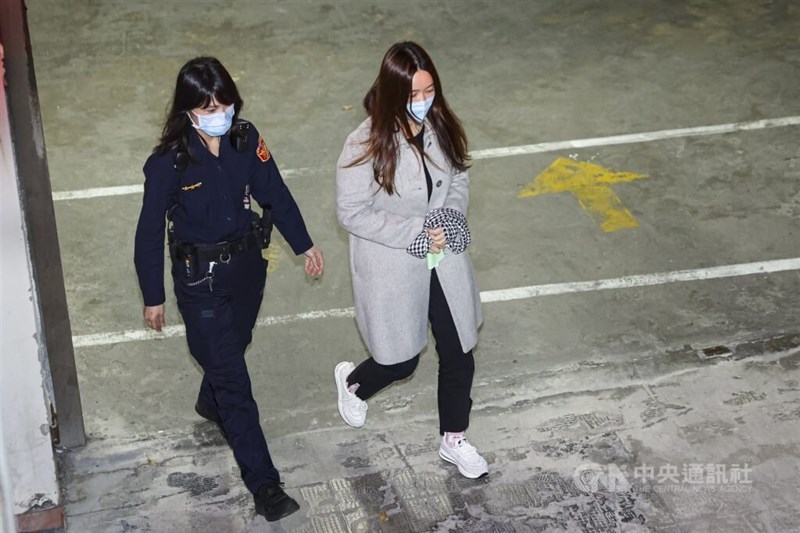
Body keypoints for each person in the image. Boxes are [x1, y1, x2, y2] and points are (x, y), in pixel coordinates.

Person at [134, 56, 324, 521]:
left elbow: (274, 192)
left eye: (226, 104)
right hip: (199, 283)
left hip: (245, 271)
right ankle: (265, 485)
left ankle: (209, 398)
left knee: (232, 351)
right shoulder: (169, 162)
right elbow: (147, 232)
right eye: (208, 107)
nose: (220, 113)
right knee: (236, 384)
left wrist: (304, 245)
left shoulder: (245, 140)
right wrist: (153, 295)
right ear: (188, 112)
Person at [334, 42, 487, 479]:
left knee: (459, 349)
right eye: (413, 94)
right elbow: (351, 212)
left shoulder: (441, 125)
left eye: (429, 90)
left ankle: (454, 439)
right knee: (401, 360)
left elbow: (459, 176)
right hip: (395, 261)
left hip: (444, 255)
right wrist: (415, 231)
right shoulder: (363, 143)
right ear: (391, 93)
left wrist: (449, 216)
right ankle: (353, 384)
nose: (424, 102)